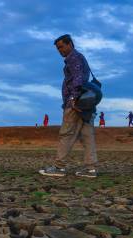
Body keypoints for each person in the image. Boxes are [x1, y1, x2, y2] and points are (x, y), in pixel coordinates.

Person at [39, 34, 98, 178]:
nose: (60, 50)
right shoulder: (79, 57)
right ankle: (91, 169)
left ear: (70, 44)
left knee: (66, 134)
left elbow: (77, 79)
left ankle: (59, 167)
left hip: (76, 104)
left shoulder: (74, 58)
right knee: (87, 135)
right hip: (86, 105)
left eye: (62, 46)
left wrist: (72, 99)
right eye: (58, 48)